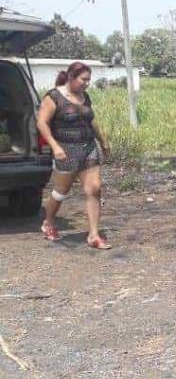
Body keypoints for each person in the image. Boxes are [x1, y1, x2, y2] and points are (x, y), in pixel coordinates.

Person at [36, 61, 112, 249]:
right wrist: (55, 146)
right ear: (71, 77)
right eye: (83, 79)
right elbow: (42, 123)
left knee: (94, 189)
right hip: (65, 149)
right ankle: (48, 222)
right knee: (61, 192)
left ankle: (93, 235)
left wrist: (103, 141)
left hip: (88, 147)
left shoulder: (84, 96)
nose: (86, 83)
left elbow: (91, 121)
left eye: (88, 80)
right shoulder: (53, 97)